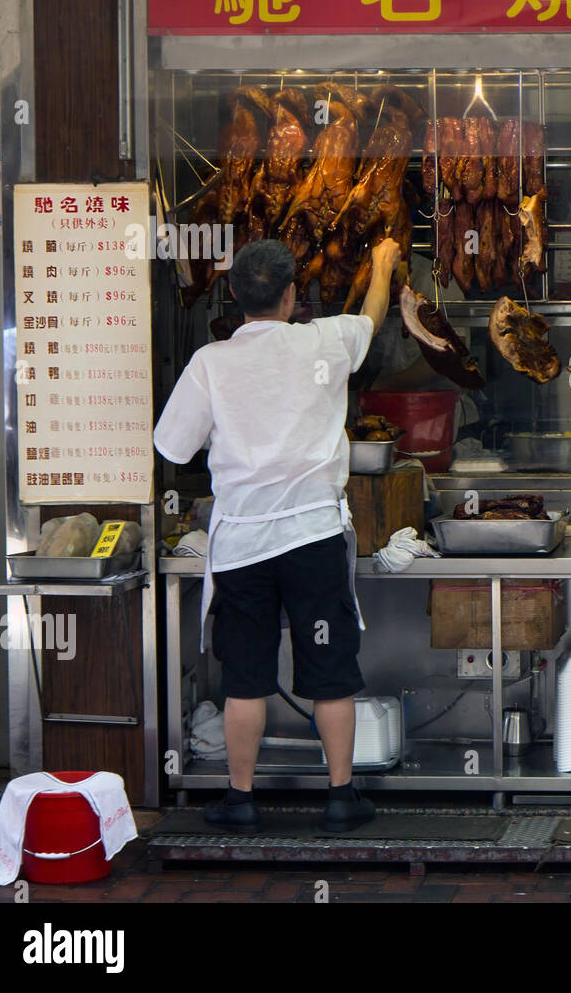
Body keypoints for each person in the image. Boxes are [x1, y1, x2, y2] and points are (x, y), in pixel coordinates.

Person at [153, 236, 401, 834]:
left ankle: (240, 800)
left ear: (235, 295)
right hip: (314, 538)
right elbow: (370, 319)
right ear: (293, 295)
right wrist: (384, 266)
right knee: (330, 673)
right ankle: (341, 796)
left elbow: (171, 445)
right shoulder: (326, 339)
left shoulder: (211, 362)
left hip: (241, 547)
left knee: (245, 679)